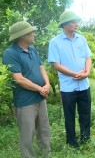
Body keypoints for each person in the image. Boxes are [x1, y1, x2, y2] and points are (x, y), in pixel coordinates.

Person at [2, 21, 51, 157]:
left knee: (44, 130)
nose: (34, 34)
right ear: (23, 36)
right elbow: (19, 79)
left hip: (40, 98)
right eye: (31, 32)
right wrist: (40, 89)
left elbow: (41, 68)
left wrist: (47, 84)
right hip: (25, 101)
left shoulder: (32, 50)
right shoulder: (10, 53)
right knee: (27, 134)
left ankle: (45, 154)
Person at [48, 11, 92, 148]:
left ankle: (86, 139)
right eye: (73, 22)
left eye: (77, 21)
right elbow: (56, 64)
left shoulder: (82, 39)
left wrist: (87, 72)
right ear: (65, 24)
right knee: (69, 117)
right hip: (68, 87)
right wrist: (74, 74)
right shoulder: (55, 42)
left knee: (85, 114)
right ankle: (72, 144)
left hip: (84, 85)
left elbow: (87, 57)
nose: (76, 24)